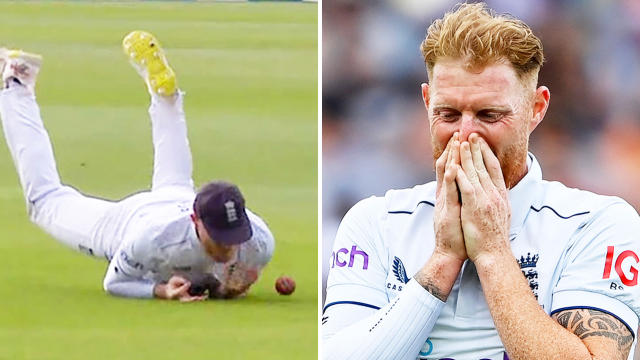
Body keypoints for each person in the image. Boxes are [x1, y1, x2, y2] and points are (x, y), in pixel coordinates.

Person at [322, 3, 640, 359]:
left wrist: (491, 251)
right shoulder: (375, 223)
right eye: (448, 113)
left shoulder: (596, 224)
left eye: (490, 115)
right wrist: (443, 260)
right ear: (427, 102)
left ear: (536, 109)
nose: (466, 134)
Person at [0, 31, 274, 302]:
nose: (228, 247)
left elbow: (227, 283)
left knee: (176, 183)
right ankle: (16, 81)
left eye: (234, 235)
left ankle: (166, 96)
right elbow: (116, 282)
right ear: (196, 221)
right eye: (219, 237)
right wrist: (160, 291)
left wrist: (227, 290)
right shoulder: (152, 239)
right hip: (127, 223)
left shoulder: (260, 243)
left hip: (177, 201)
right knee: (45, 200)